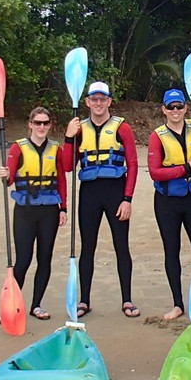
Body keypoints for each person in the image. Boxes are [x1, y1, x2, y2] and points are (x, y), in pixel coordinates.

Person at [61, 81, 140, 319]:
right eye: (93, 99)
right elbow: (67, 166)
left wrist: (127, 199)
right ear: (86, 102)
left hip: (115, 191)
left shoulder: (121, 128)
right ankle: (84, 301)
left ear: (109, 102)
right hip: (89, 193)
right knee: (88, 247)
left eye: (102, 99)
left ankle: (127, 300)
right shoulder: (80, 129)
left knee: (121, 246)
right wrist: (67, 136)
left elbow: (133, 164)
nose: (98, 103)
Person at [147, 88, 191, 320]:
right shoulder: (157, 136)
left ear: (186, 108)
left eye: (179, 106)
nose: (175, 111)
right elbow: (155, 173)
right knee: (171, 250)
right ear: (163, 110)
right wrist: (186, 168)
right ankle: (178, 304)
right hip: (167, 202)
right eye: (170, 107)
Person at [0, 106, 66, 321]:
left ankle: (36, 305)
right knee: (23, 260)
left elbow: (62, 180)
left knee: (44, 259)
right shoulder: (18, 148)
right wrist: (5, 175)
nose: (42, 127)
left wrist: (63, 208)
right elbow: (9, 181)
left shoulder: (56, 149)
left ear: (50, 125)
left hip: (49, 211)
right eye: (38, 123)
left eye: (45, 123)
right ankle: (10, 306)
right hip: (25, 210)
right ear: (30, 125)